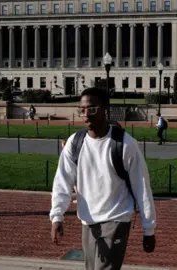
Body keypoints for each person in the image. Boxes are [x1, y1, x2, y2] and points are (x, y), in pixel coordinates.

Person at [49, 87, 157, 270]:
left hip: (117, 217)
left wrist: (149, 229)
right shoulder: (75, 143)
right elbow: (62, 181)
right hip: (88, 220)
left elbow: (142, 186)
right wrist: (57, 216)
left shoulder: (124, 144)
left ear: (104, 109)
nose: (86, 114)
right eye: (82, 110)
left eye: (91, 109)